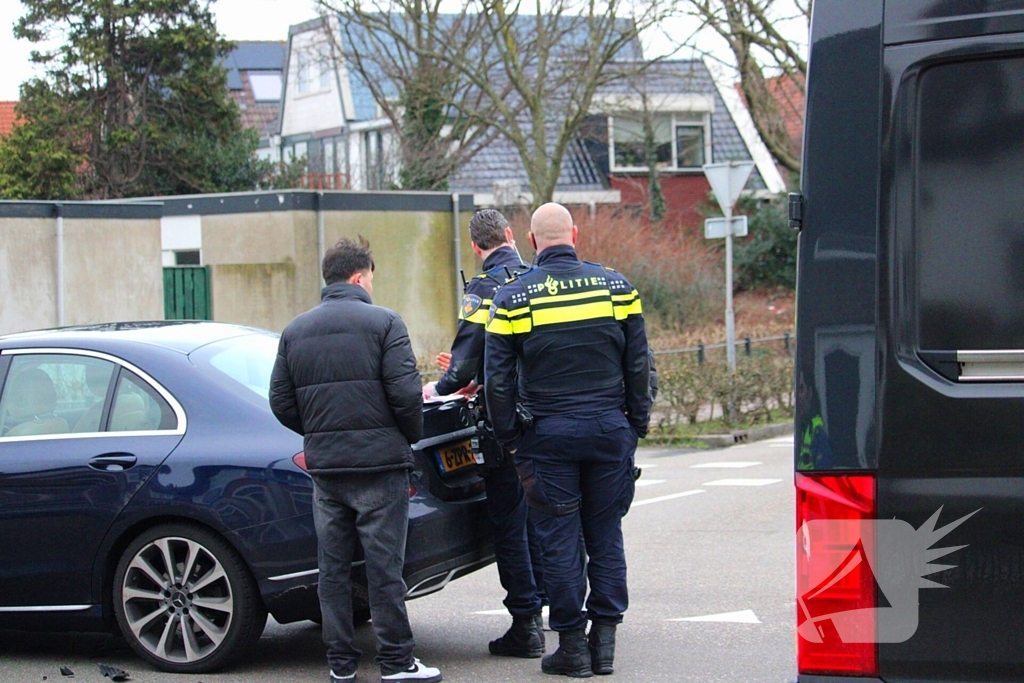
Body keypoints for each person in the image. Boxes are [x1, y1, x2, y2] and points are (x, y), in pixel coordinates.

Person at [484, 203, 651, 678]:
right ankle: (606, 643)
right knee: (605, 534)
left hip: (548, 435)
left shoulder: (514, 299)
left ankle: (572, 648)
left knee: (557, 539)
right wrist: (635, 424)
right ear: (574, 235)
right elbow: (639, 365)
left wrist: (511, 438)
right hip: (607, 431)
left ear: (533, 242)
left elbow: (496, 381)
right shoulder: (618, 288)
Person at [269, 237, 441, 683]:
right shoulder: (385, 322)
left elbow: (281, 402)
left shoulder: (294, 331)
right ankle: (397, 663)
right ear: (360, 277)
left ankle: (341, 666)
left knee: (333, 572)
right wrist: (408, 440)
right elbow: (406, 397)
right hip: (381, 468)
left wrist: (319, 434)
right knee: (385, 571)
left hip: (327, 472)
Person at [423, 209, 546, 658]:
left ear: (476, 247)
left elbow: (463, 364)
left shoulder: (483, 288)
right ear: (511, 236)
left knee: (510, 522)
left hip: (504, 423)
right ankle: (557, 607)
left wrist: (440, 387)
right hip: (544, 418)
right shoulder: (536, 277)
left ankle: (525, 624)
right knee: (544, 515)